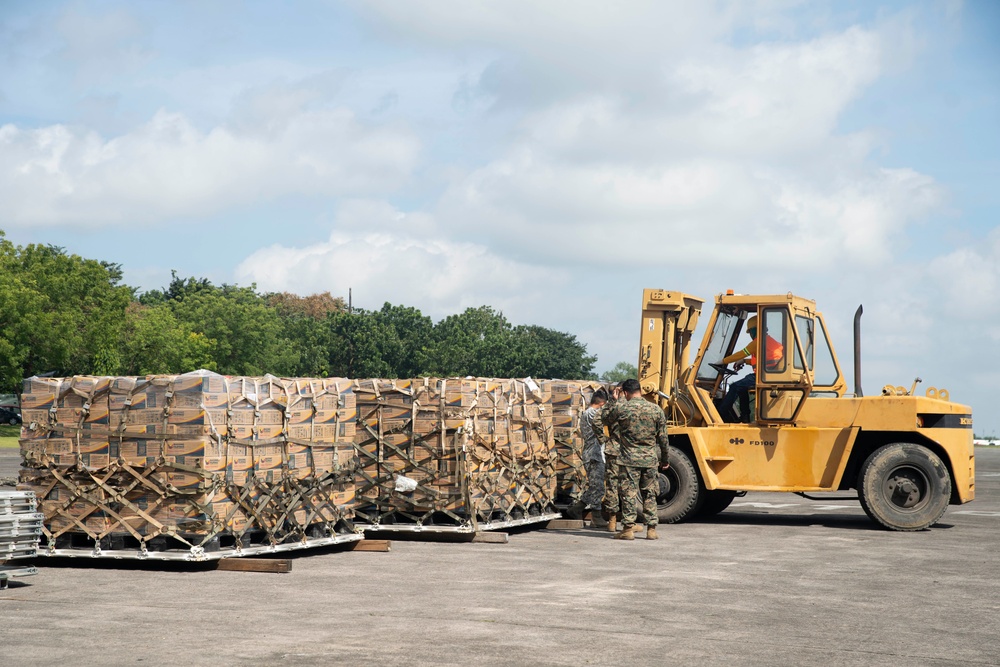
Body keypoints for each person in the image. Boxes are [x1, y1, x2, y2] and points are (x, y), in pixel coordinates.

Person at [600, 378, 670, 541]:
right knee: (650, 493)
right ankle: (651, 530)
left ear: (625, 393)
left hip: (628, 460)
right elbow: (663, 439)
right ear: (640, 390)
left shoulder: (622, 408)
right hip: (650, 459)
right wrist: (665, 459)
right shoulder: (656, 409)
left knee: (629, 494)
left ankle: (628, 529)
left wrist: (613, 401)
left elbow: (604, 419)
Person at [717, 315, 784, 423]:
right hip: (771, 375)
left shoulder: (758, 341)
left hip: (764, 376)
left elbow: (742, 353)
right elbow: (763, 360)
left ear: (754, 330)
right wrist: (744, 361)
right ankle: (745, 417)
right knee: (742, 387)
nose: (750, 335)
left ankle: (719, 415)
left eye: (750, 332)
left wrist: (723, 361)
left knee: (735, 386)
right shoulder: (770, 341)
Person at [578, 388, 609, 527]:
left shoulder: (588, 413)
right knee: (599, 488)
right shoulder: (591, 413)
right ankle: (596, 518)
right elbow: (608, 416)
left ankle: (576, 509)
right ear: (602, 404)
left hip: (593, 454)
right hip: (594, 455)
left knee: (595, 486)